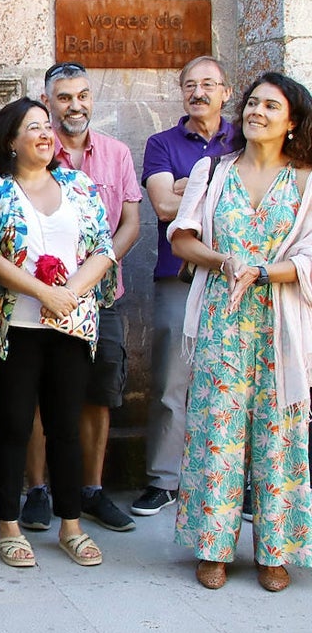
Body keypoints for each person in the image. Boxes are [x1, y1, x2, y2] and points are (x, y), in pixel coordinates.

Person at [169, 72, 312, 592]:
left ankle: (276, 550)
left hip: (281, 325)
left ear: (292, 122)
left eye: (271, 106)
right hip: (222, 321)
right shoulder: (212, 172)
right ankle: (214, 547)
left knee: (278, 435)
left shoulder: (305, 180)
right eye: (253, 103)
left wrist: (265, 271)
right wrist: (225, 261)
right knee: (218, 433)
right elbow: (182, 239)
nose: (257, 112)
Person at [0, 97, 115, 569]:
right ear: (10, 140)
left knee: (65, 426)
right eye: (32, 127)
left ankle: (71, 526)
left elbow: (103, 247)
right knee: (15, 423)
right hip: (14, 325)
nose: (44, 133)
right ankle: (8, 526)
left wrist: (68, 294)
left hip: (71, 324)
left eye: (46, 127)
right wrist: (42, 292)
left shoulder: (77, 184)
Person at [21, 62, 141, 534]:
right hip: (40, 298)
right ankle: (37, 489)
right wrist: (56, 289)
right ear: (47, 101)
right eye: (65, 97)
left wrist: (94, 270)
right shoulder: (35, 152)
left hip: (102, 295)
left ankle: (91, 490)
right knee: (34, 390)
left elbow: (130, 222)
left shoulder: (115, 154)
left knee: (99, 390)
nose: (76, 105)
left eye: (83, 96)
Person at [131, 56, 237, 517]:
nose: (199, 92)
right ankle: (164, 480)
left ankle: (241, 481)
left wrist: (190, 186)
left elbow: (253, 198)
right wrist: (214, 187)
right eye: (190, 85)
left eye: (209, 84)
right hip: (178, 276)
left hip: (240, 277)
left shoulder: (245, 137)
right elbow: (162, 206)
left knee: (238, 381)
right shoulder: (161, 142)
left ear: (226, 92)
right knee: (173, 382)